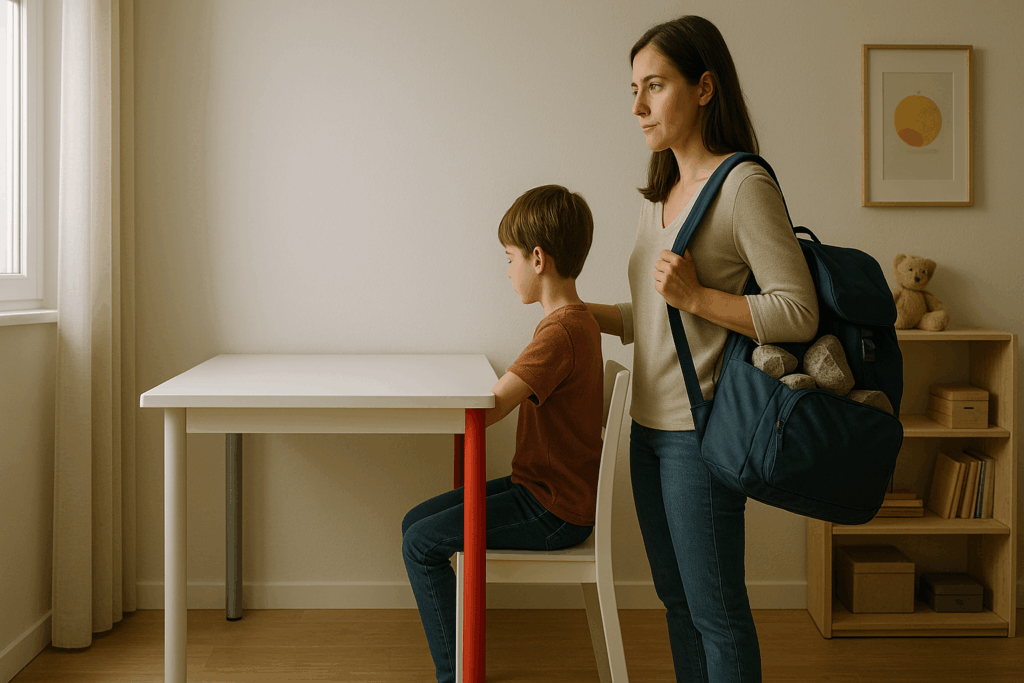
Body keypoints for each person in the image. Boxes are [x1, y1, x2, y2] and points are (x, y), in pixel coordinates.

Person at [586, 16, 819, 683]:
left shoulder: (744, 186)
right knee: (677, 604)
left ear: (705, 87)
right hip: (647, 431)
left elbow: (796, 312)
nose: (637, 107)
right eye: (633, 88)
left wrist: (696, 298)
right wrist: (583, 315)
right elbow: (657, 315)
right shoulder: (659, 195)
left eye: (654, 86)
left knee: (717, 613)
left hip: (701, 432)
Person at [402, 184, 604, 683]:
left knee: (419, 543)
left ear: (538, 259)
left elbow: (487, 411)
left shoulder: (559, 333)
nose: (507, 269)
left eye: (509, 257)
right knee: (415, 523)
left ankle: (458, 676)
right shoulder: (574, 323)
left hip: (551, 508)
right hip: (543, 493)